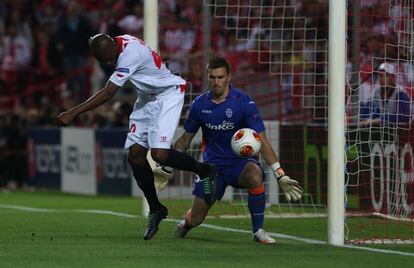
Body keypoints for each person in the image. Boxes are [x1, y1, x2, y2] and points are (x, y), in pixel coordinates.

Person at [56, 33, 218, 240]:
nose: (110, 62)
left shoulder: (130, 54)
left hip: (167, 94)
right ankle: (156, 208)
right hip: (146, 98)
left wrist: (72, 113)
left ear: (114, 47)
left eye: (110, 57)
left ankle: (205, 170)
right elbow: (95, 40)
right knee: (135, 156)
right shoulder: (117, 42)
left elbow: (108, 93)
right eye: (104, 60)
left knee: (159, 154)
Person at [169, 57, 303, 243]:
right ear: (208, 77)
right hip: (211, 169)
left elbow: (262, 140)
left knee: (255, 174)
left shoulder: (244, 103)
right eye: (213, 77)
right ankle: (187, 222)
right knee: (197, 218)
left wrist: (280, 175)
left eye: (221, 77)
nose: (216, 82)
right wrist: (168, 165)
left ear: (229, 77)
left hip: (240, 165)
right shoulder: (199, 105)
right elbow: (185, 140)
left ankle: (258, 231)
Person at [359, 62, 411, 127]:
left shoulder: (401, 93)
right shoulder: (377, 91)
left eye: (386, 75)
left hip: (403, 132)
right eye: (380, 75)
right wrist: (369, 119)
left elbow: (403, 117)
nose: (382, 78)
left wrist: (381, 119)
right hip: (385, 130)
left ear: (393, 78)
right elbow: (376, 111)